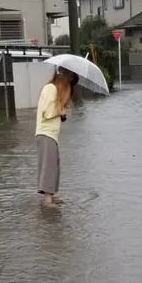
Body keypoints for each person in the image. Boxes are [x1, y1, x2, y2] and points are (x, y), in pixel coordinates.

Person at [36, 67, 78, 207]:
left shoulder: (57, 91)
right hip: (45, 133)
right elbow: (47, 113)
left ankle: (52, 195)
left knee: (55, 165)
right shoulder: (50, 89)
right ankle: (47, 200)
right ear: (64, 77)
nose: (69, 82)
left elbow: (54, 112)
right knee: (49, 166)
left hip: (51, 135)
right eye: (69, 78)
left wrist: (62, 112)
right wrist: (61, 111)